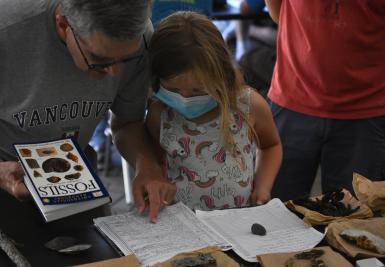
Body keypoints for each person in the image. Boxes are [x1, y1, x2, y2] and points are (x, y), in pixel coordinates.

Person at [0, 0, 175, 225]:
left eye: (126, 59)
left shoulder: (139, 36)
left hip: (77, 172)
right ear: (64, 24)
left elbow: (127, 123)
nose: (114, 72)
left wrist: (147, 165)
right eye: (99, 60)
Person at [146, 11, 282, 210]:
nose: (185, 97)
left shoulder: (248, 105)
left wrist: (262, 187)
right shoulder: (160, 114)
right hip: (183, 227)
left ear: (222, 74)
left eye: (198, 89)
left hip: (238, 224)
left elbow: (271, 146)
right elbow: (155, 164)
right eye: (173, 90)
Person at [265, 0, 385, 201]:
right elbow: (278, 13)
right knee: (275, 213)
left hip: (366, 110)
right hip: (292, 98)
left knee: (352, 221)